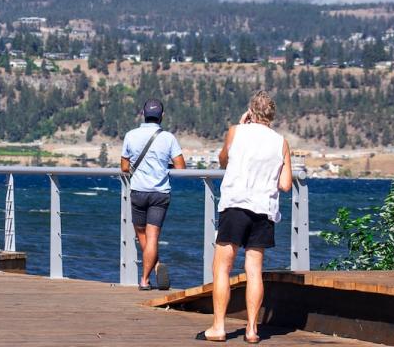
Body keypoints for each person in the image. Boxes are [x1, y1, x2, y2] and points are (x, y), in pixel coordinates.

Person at [197, 91, 293, 344]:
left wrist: (240, 126)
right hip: (264, 210)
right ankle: (252, 329)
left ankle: (218, 327)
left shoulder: (236, 131)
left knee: (222, 267)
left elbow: (222, 161)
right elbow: (285, 184)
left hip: (236, 206)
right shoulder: (281, 142)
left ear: (250, 111)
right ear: (272, 115)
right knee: (254, 270)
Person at [120, 99, 185, 291]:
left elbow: (124, 166)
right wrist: (163, 166)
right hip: (160, 193)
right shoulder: (168, 138)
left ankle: (152, 271)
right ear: (162, 116)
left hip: (138, 191)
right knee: (153, 236)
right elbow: (181, 167)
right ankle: (145, 278)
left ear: (143, 113)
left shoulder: (130, 135)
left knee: (141, 234)